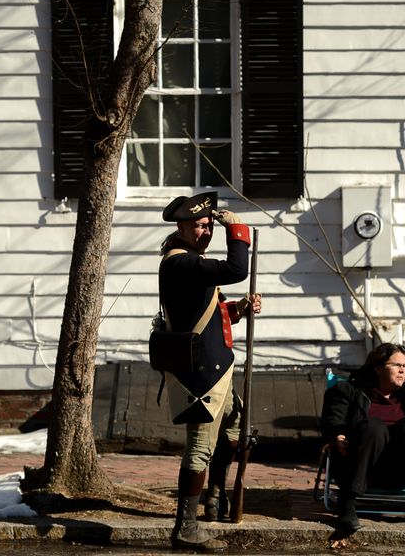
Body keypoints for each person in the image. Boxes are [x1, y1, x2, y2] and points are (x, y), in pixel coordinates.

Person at [158, 191, 262, 550]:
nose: (207, 231)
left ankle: (215, 495)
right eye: (200, 225)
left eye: (209, 225)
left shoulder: (190, 262)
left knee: (235, 421)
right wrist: (237, 228)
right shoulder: (180, 263)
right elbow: (236, 269)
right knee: (200, 449)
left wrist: (239, 308)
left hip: (216, 368)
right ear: (182, 228)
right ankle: (185, 528)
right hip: (202, 376)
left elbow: (204, 314)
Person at [319, 342, 405, 533]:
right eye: (397, 365)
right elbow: (332, 421)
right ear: (378, 368)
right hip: (361, 465)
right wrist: (338, 436)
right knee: (374, 426)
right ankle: (347, 504)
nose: (403, 371)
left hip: (404, 469)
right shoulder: (348, 391)